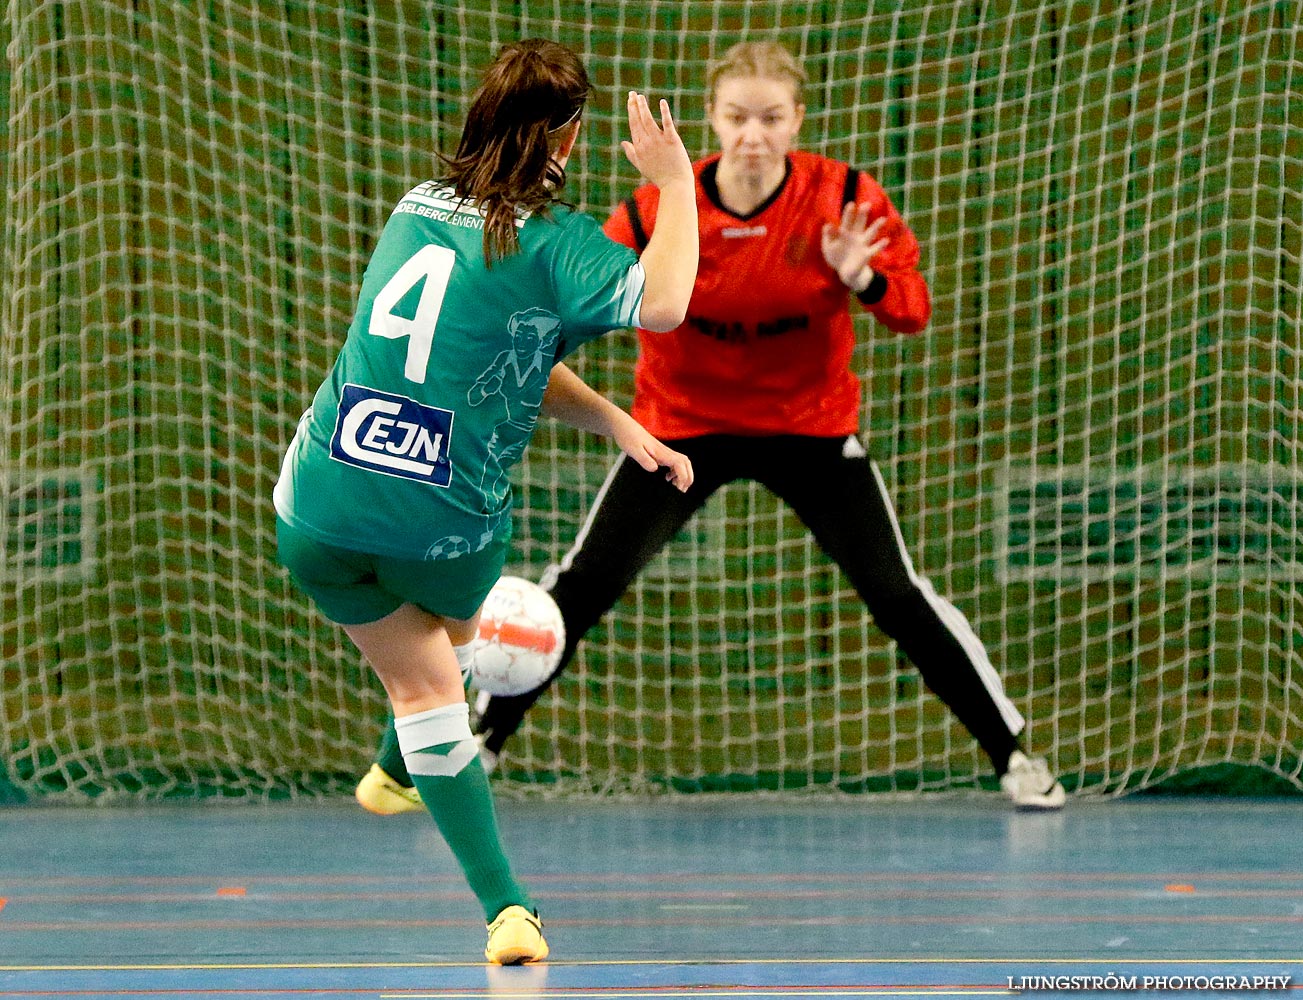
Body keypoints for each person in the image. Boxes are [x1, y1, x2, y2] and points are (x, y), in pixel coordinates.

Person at [356, 39, 1065, 816]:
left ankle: (1013, 753)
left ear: (797, 119)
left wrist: (862, 277)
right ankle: (481, 743)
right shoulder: (659, 208)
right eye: (736, 116)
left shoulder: (846, 199)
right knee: (583, 584)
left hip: (810, 433)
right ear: (712, 120)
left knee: (896, 592)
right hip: (682, 429)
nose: (752, 134)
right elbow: (569, 312)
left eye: (770, 117)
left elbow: (913, 310)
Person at [276, 38, 699, 964]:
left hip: (314, 504)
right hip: (443, 526)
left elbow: (494, 356)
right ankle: (507, 909)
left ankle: (398, 767)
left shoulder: (411, 212)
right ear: (569, 137)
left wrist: (616, 423)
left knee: (410, 679)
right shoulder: (555, 245)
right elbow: (665, 302)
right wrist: (675, 185)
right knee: (441, 678)